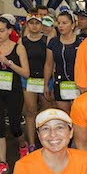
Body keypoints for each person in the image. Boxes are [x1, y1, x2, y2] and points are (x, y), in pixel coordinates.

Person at [0, 17, 30, 174]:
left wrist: (7, 62)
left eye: (1, 30)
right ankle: (2, 163)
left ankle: (23, 145)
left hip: (13, 91)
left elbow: (26, 73)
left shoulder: (18, 48)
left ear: (10, 31)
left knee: (15, 126)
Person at [21, 14, 51, 151]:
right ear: (27, 25)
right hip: (28, 80)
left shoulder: (47, 40)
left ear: (41, 25)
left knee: (46, 110)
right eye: (31, 23)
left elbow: (50, 62)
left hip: (45, 80)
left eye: (37, 23)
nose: (34, 26)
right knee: (30, 111)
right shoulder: (23, 41)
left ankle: (45, 139)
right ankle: (32, 143)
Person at [44, 10, 84, 113]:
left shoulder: (82, 42)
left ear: (73, 25)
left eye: (64, 23)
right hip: (60, 83)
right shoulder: (53, 42)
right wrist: (46, 85)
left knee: (78, 115)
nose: (61, 26)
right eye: (59, 23)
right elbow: (49, 65)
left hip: (79, 84)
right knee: (64, 115)